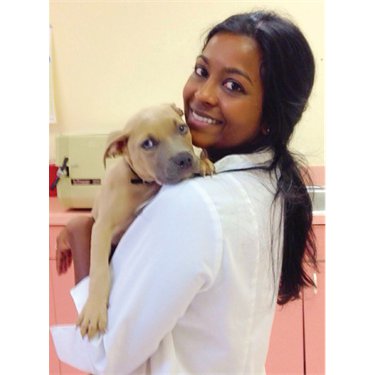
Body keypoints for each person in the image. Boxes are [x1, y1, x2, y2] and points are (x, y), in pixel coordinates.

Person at [51, 10, 317, 374]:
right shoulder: (267, 186)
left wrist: (83, 238)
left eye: (233, 86)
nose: (203, 95)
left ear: (270, 115)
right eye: (202, 71)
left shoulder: (191, 203)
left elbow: (107, 356)